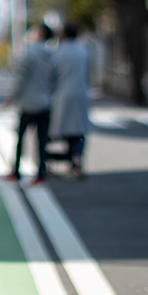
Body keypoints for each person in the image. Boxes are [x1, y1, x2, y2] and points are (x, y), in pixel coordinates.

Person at [5, 21, 57, 185]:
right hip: (45, 102)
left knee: (21, 139)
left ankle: (16, 172)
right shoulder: (52, 54)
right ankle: (41, 174)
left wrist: (12, 97)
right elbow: (55, 79)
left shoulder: (30, 53)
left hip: (28, 103)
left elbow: (21, 78)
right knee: (42, 140)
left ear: (41, 33)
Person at [48, 21, 90, 178]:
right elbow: (88, 74)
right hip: (81, 94)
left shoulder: (59, 52)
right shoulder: (83, 51)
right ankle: (77, 160)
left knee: (57, 130)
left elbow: (52, 75)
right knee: (79, 131)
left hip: (62, 95)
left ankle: (51, 161)